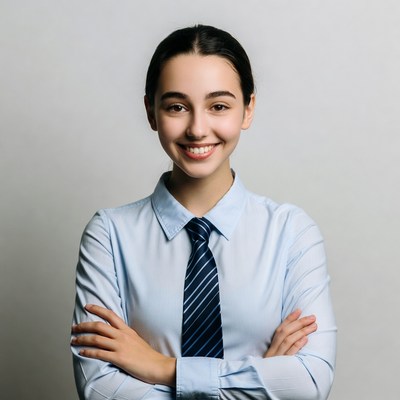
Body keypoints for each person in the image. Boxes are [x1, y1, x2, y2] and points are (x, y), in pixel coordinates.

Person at [71, 25, 336, 399]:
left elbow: (309, 384)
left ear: (248, 109)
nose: (198, 129)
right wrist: (261, 378)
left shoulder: (291, 232)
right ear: (151, 112)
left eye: (219, 106)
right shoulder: (109, 235)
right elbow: (100, 388)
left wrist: (161, 368)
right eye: (177, 107)